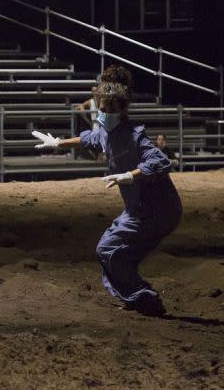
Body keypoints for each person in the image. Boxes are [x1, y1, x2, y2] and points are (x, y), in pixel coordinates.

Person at [32, 65, 181, 316]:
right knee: (113, 251)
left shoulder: (134, 136)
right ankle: (137, 296)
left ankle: (142, 297)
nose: (105, 114)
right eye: (102, 109)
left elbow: (160, 162)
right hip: (137, 210)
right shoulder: (105, 131)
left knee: (109, 249)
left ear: (123, 110)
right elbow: (91, 137)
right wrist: (59, 142)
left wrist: (129, 175)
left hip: (158, 209)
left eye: (111, 110)